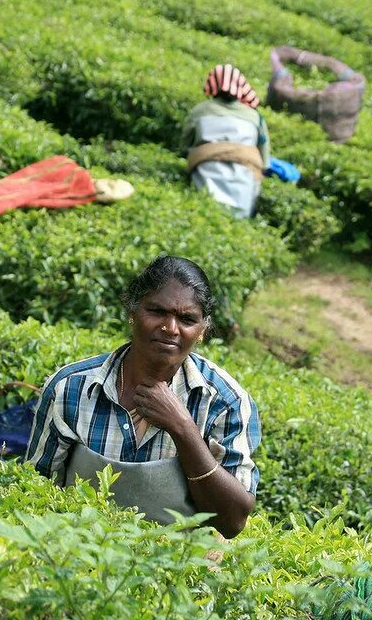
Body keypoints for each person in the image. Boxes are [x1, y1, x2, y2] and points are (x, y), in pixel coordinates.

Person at [27, 256, 260, 538]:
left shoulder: (225, 403)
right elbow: (35, 492)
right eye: (157, 311)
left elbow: (232, 522)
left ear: (202, 330)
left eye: (187, 319)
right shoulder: (70, 389)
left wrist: (183, 428)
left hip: (176, 571)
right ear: (132, 311)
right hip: (78, 556)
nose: (171, 328)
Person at [179, 64, 270, 219]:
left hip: (206, 168)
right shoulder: (255, 117)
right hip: (246, 174)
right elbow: (265, 157)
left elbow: (184, 146)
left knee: (206, 213)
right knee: (240, 218)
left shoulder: (200, 111)